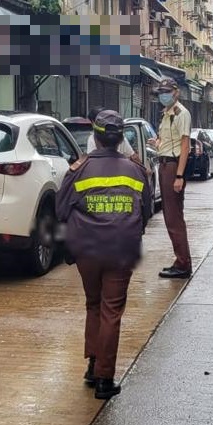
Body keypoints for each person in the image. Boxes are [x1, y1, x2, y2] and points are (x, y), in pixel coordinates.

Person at [57, 110, 152, 400]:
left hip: (87, 249)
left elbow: (61, 211)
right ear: (121, 138)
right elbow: (146, 212)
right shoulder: (136, 170)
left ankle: (93, 365)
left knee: (93, 304)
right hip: (121, 248)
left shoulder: (78, 169)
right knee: (111, 310)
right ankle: (104, 378)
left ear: (95, 138)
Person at [148, 78, 192, 279]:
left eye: (166, 92)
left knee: (174, 218)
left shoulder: (181, 113)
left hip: (173, 167)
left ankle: (183, 264)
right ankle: (180, 260)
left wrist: (179, 175)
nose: (162, 95)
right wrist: (157, 143)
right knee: (169, 217)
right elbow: (169, 142)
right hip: (166, 163)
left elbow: (185, 146)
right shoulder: (167, 114)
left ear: (176, 92)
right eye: (160, 92)